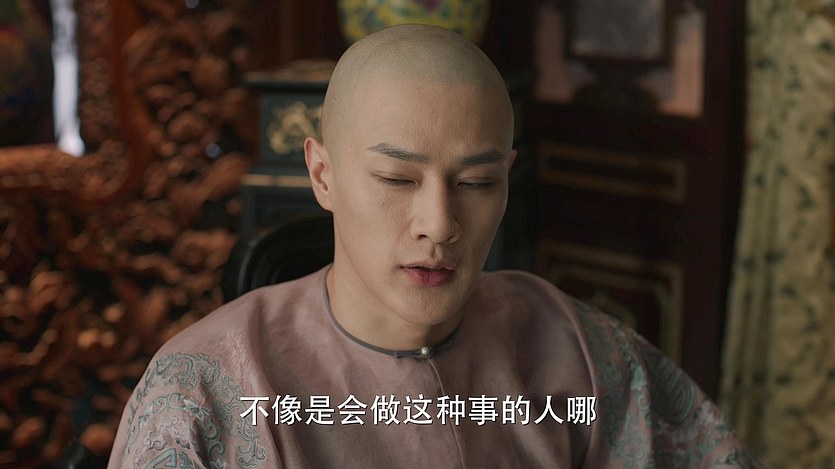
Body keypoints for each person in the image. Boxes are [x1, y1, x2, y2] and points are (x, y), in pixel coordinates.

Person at [108, 24, 760, 468]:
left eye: (476, 183)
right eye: (397, 179)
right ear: (323, 174)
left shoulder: (575, 349)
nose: (440, 224)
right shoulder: (204, 391)